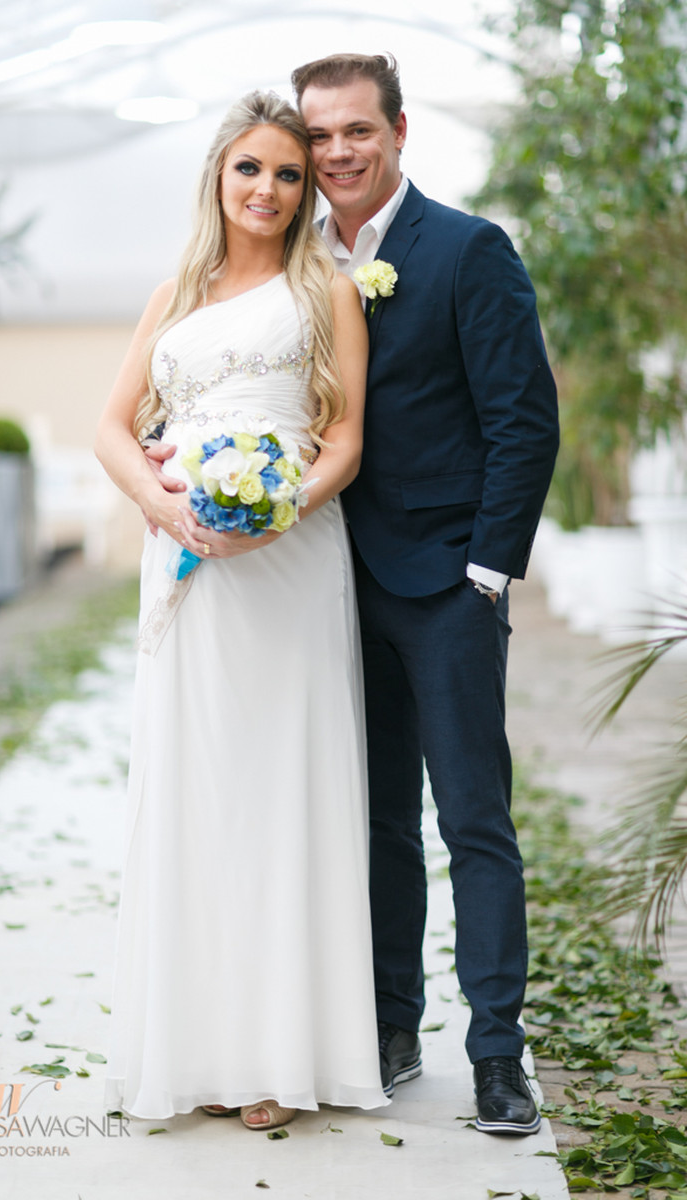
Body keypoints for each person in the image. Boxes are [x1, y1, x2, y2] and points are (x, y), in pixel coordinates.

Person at [94, 90, 385, 1132]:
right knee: (197, 788)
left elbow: (344, 443)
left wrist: (274, 514)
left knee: (274, 791)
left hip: (287, 561)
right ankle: (195, 1046)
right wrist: (161, 503)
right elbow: (113, 427)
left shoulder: (330, 291)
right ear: (218, 178)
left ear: (306, 193)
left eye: (287, 174)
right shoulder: (174, 291)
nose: (267, 189)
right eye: (249, 169)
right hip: (181, 560)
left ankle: (272, 1057)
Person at [290, 53, 560, 1135]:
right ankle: (389, 1026)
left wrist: (486, 574)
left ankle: (496, 1056)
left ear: (397, 132)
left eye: (357, 130)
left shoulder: (466, 248)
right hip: (324, 585)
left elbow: (522, 419)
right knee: (372, 825)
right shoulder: (296, 262)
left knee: (471, 821)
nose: (338, 154)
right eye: (320, 137)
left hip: (446, 585)